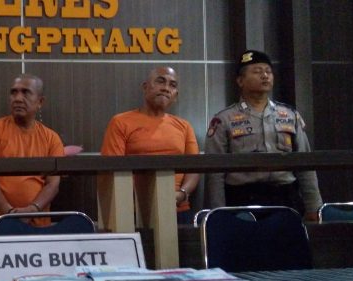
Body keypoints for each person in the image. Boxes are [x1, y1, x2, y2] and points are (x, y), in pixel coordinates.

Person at [204, 50, 322, 220]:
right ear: (240, 81)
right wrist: (219, 212)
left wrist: (314, 206)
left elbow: (306, 164)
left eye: (268, 71)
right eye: (257, 71)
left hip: (285, 197)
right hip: (242, 198)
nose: (265, 76)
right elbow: (214, 173)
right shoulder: (223, 119)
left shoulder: (289, 115)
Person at [100, 66, 200, 225]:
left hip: (177, 208)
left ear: (175, 95)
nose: (166, 88)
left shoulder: (184, 126)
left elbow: (194, 169)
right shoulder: (120, 122)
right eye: (160, 81)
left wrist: (181, 194)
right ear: (145, 87)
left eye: (172, 85)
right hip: (132, 211)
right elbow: (110, 170)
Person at [0, 74, 64, 226]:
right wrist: (9, 212)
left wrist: (32, 210)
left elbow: (53, 185)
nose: (18, 98)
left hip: (38, 223)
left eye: (26, 92)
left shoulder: (51, 138)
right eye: (14, 92)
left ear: (40, 102)